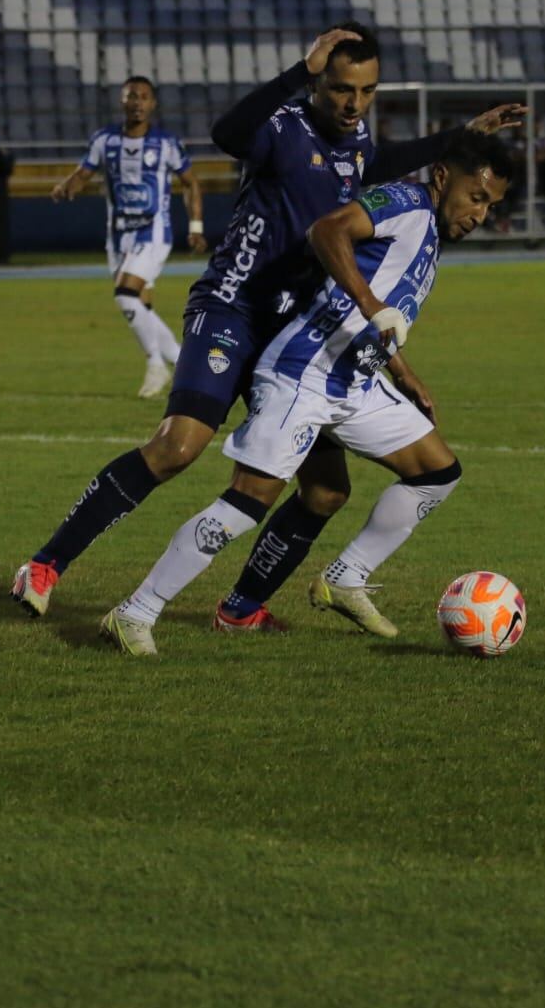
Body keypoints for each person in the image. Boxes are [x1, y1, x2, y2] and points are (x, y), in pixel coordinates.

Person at [11, 23, 525, 620]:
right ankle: (46, 564)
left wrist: (461, 138)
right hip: (235, 309)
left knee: (327, 492)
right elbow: (226, 132)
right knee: (177, 449)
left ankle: (242, 608)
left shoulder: (358, 148)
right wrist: (297, 74)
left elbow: (392, 160)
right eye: (340, 89)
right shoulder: (284, 127)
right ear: (319, 83)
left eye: (366, 92)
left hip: (297, 335)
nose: (353, 104)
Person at [98, 130, 513, 654]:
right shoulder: (405, 202)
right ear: (441, 177)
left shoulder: (428, 228)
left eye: (490, 205)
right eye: (476, 198)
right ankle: (134, 612)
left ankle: (346, 577)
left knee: (436, 472)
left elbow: (383, 310)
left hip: (356, 381)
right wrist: (368, 304)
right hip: (304, 372)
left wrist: (402, 371)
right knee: (246, 503)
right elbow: (327, 232)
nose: (480, 214)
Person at [50, 76, 207, 399]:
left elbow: (191, 182)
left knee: (124, 293)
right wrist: (67, 187)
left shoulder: (165, 143)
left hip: (154, 232)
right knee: (140, 307)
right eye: (131, 96)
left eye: (144, 97)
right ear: (122, 102)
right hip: (118, 235)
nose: (137, 102)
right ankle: (183, 365)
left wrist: (195, 228)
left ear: (153, 104)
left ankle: (155, 364)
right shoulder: (104, 140)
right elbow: (83, 173)